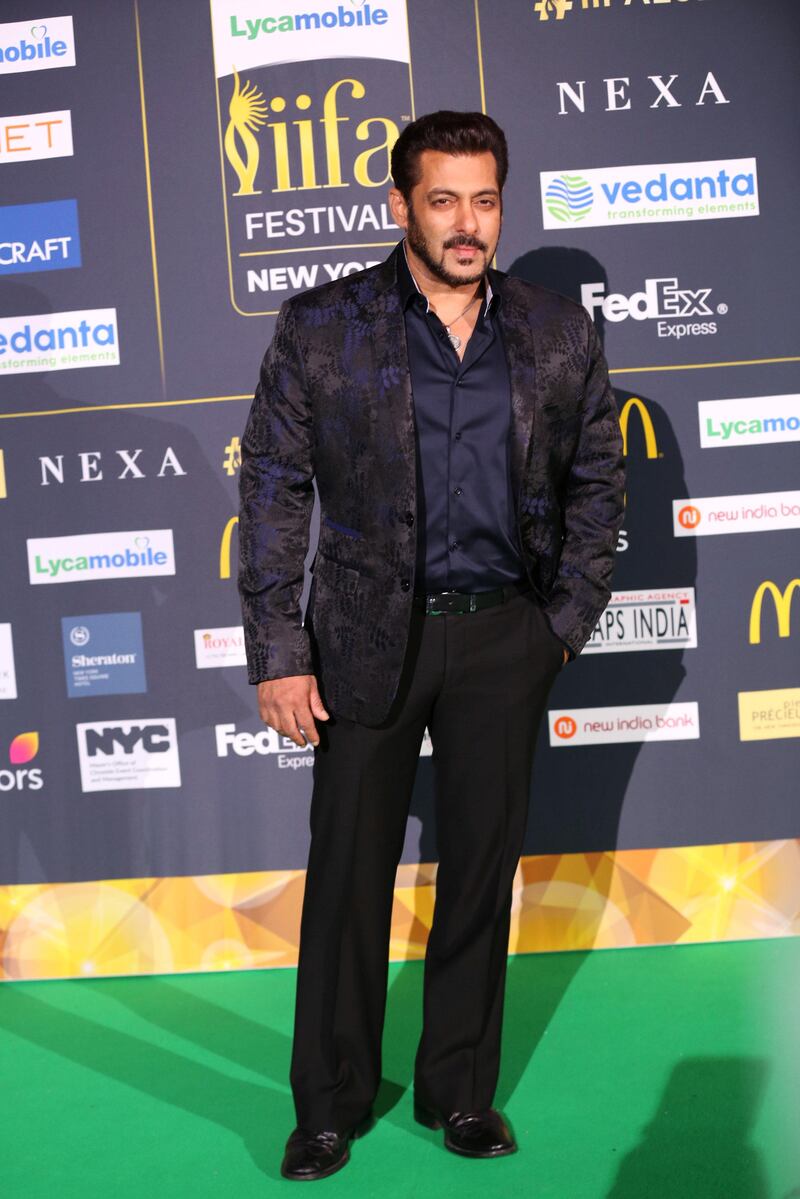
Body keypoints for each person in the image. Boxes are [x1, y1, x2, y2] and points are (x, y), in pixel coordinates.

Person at [238, 110, 625, 1181]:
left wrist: (560, 624)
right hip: (365, 636)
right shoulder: (324, 325)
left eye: (485, 200)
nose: (467, 225)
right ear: (399, 204)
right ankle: (329, 1103)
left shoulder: (554, 328)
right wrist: (279, 646)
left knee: (476, 874)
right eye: (443, 199)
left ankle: (460, 1090)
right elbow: (272, 487)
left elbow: (597, 481)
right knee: (348, 875)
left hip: (505, 634)